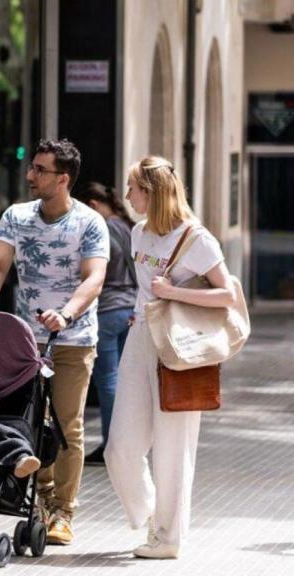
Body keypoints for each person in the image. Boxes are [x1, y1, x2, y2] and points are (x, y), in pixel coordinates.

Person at [0, 139, 109, 545]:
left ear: (62, 179)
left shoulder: (89, 222)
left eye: (40, 170)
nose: (30, 175)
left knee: (67, 425)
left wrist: (66, 314)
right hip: (26, 341)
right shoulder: (16, 216)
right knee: (30, 422)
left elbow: (94, 278)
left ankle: (64, 511)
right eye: (31, 167)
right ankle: (41, 501)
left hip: (73, 340)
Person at [105, 157, 237, 559]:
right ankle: (150, 514)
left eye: (133, 188)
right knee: (119, 447)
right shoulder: (138, 233)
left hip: (180, 348)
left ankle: (168, 538)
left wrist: (173, 293)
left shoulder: (197, 238)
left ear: (152, 192)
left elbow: (228, 295)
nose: (127, 195)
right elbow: (146, 289)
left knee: (173, 449)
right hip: (140, 337)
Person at [72, 182, 138, 465]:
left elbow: (95, 272)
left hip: (108, 311)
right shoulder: (128, 226)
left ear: (93, 206)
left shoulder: (104, 229)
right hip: (130, 309)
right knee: (124, 381)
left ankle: (112, 445)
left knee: (108, 381)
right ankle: (128, 443)